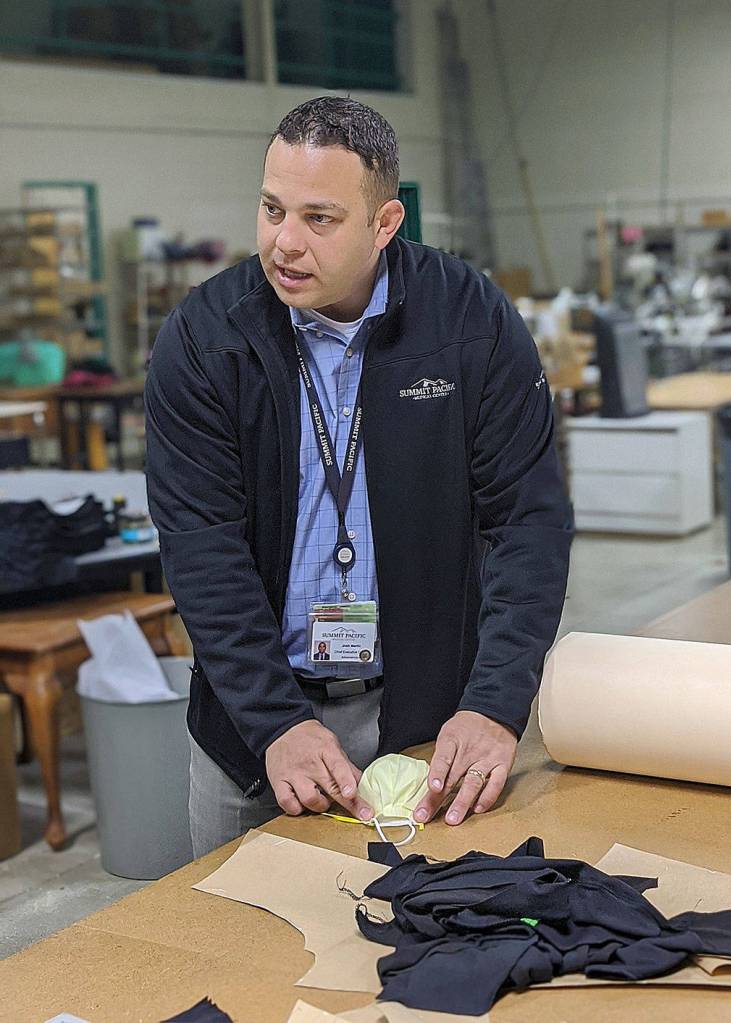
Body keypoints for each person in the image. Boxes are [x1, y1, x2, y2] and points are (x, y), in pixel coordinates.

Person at [145, 96, 573, 857]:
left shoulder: (469, 323)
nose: (283, 242)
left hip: (425, 725)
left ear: (384, 225)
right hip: (250, 731)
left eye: (319, 218)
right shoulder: (207, 339)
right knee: (232, 954)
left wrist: (496, 704)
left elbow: (526, 523)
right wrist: (276, 722)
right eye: (272, 208)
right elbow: (201, 548)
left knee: (419, 942)